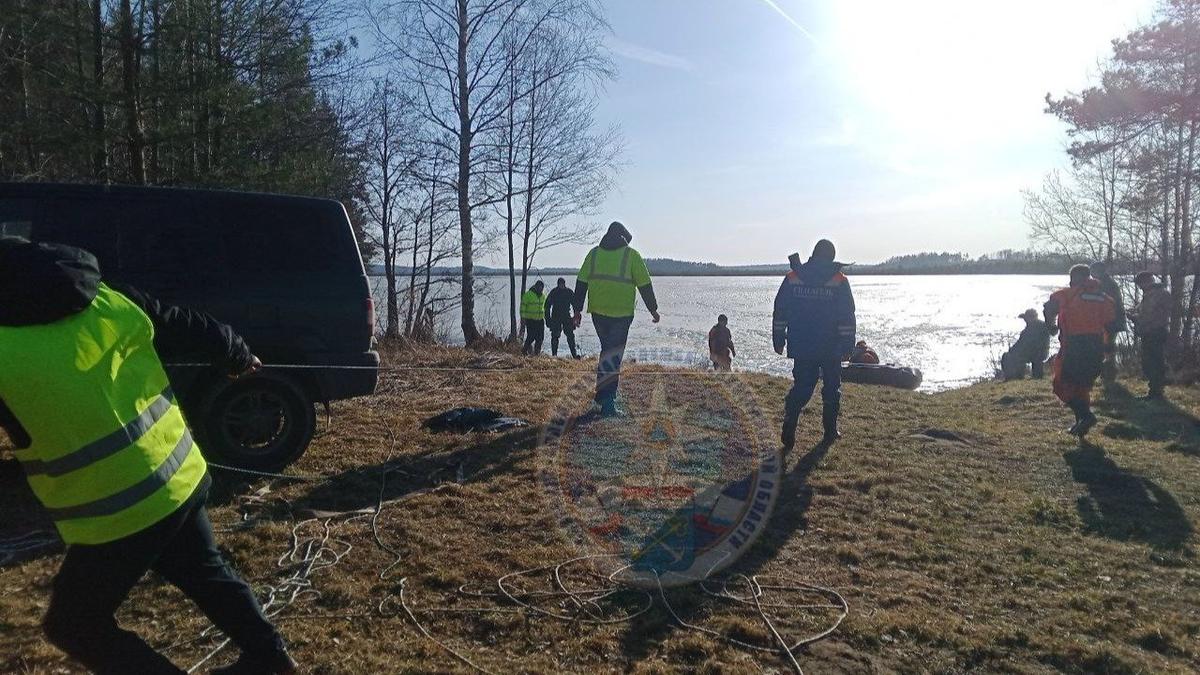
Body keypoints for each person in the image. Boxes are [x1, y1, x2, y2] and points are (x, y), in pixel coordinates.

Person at [0, 237, 296, 675]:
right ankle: (271, 658)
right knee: (204, 570)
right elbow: (186, 324)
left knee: (74, 625)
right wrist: (237, 353)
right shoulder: (110, 298)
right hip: (179, 475)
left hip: (116, 508)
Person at [773, 239, 856, 449]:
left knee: (802, 386)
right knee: (832, 389)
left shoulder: (794, 277)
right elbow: (847, 316)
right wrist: (848, 346)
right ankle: (830, 432)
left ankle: (790, 419)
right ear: (831, 257)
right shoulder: (839, 279)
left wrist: (778, 338)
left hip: (802, 344)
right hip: (831, 346)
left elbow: (780, 310)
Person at [572, 221, 660, 416]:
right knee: (613, 356)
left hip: (598, 314)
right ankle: (607, 403)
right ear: (624, 238)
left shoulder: (594, 254)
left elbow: (581, 283)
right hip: (621, 315)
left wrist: (577, 311)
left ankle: (602, 396)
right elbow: (645, 285)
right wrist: (653, 310)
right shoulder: (631, 255)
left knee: (608, 352)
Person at [1044, 264, 1119, 437]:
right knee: (1082, 386)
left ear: (1074, 278)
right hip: (1096, 346)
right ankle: (1081, 425)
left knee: (1061, 384)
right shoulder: (1104, 298)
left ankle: (1086, 416)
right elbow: (1111, 324)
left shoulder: (1067, 294)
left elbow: (1049, 308)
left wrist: (1051, 327)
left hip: (1074, 346)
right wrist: (1108, 346)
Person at [1127, 271, 1172, 400]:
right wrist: (1135, 311)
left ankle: (1156, 391)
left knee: (1152, 362)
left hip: (1154, 332)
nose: (1140, 287)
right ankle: (1156, 389)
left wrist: (1133, 317)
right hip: (1155, 331)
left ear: (1146, 282)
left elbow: (1148, 315)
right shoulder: (1156, 293)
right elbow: (1144, 310)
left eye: (1140, 284)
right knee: (1154, 361)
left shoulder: (1155, 294)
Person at [1091, 261, 1127, 382]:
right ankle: (1106, 374)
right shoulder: (1106, 282)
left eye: (1093, 271)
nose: (1092, 274)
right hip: (1111, 320)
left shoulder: (1105, 284)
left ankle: (1109, 375)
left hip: (1110, 320)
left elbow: (1105, 303)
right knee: (1106, 347)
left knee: (1107, 348)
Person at [1001, 309, 1051, 380]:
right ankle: (1019, 375)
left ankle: (1016, 376)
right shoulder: (1039, 326)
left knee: (1009, 356)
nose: (1025, 320)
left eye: (1026, 318)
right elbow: (1021, 342)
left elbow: (1023, 343)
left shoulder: (1034, 328)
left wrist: (1013, 350)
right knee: (1013, 355)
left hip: (1037, 352)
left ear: (1031, 318)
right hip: (1041, 351)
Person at [544, 277, 580, 359]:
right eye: (560, 284)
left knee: (570, 335)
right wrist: (548, 319)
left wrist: (575, 318)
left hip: (566, 316)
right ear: (558, 284)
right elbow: (547, 306)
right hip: (556, 317)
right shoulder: (554, 292)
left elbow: (575, 305)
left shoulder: (569, 292)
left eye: (562, 284)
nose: (561, 286)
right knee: (555, 336)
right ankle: (554, 355)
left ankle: (574, 355)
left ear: (564, 284)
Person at [520, 280, 546, 356]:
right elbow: (522, 307)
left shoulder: (543, 296)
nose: (541, 289)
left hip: (540, 320)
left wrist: (546, 317)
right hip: (530, 320)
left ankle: (537, 353)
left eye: (542, 288)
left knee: (540, 338)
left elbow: (544, 307)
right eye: (539, 287)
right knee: (531, 337)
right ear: (536, 287)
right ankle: (524, 350)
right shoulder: (528, 295)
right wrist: (523, 318)